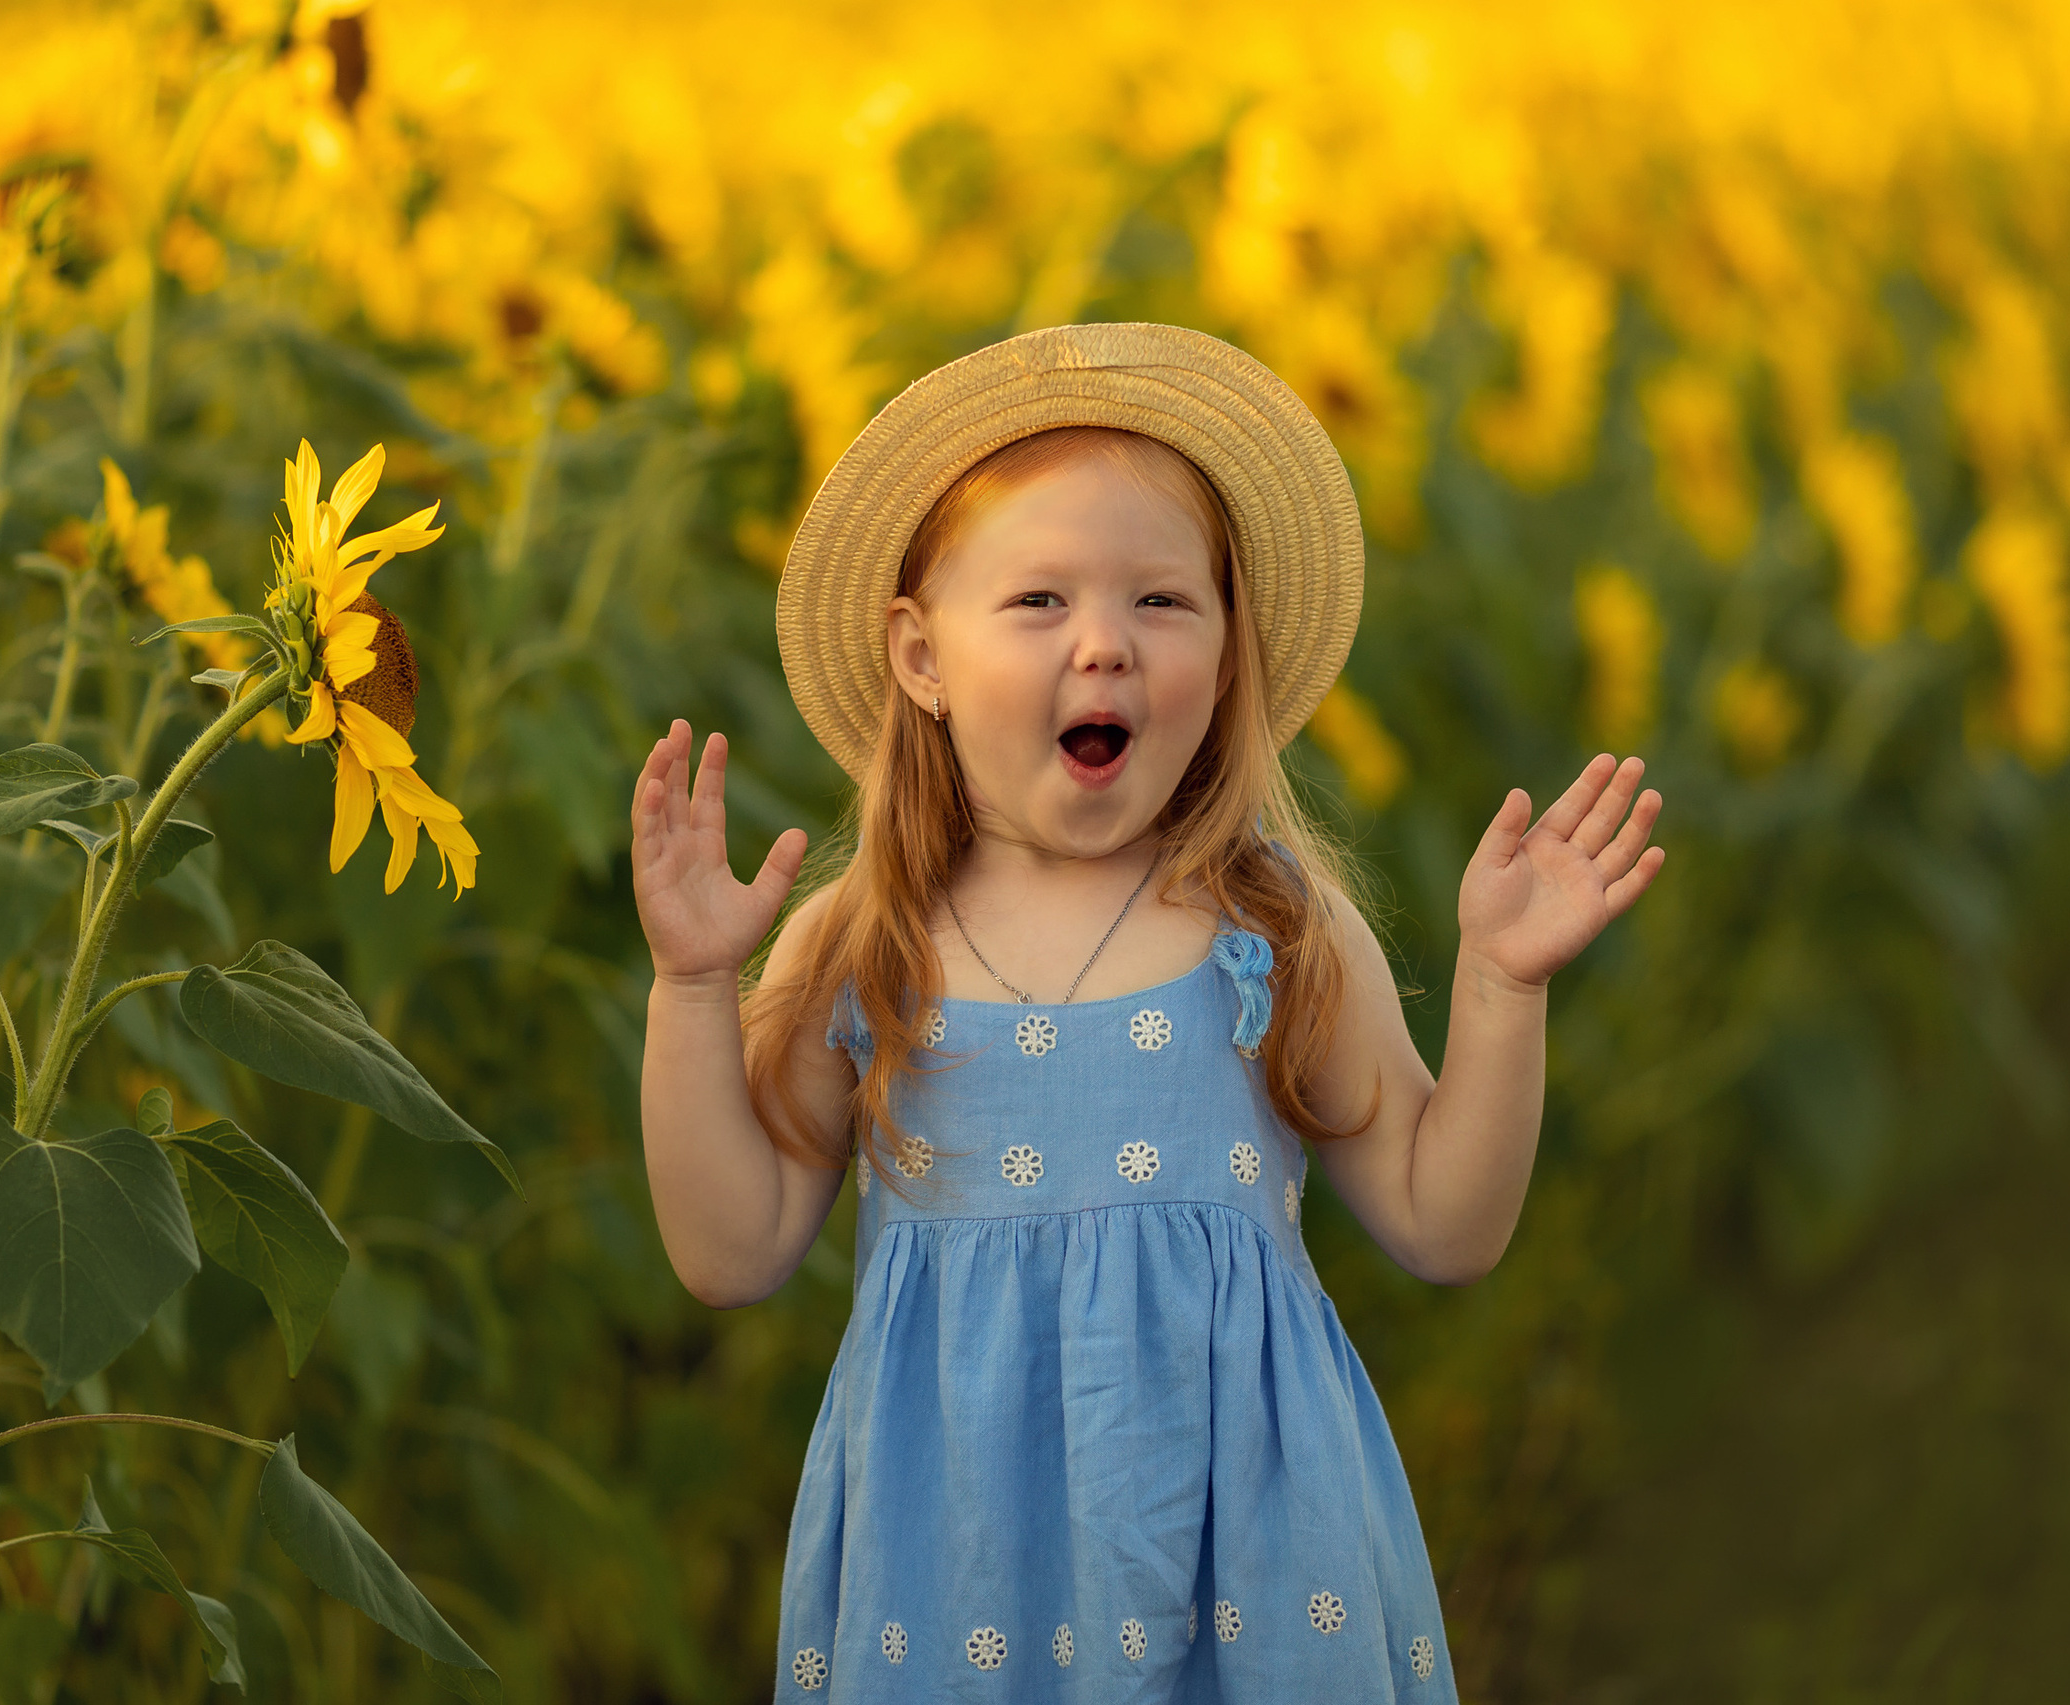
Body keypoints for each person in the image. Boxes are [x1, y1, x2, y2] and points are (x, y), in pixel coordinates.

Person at [630, 323, 1664, 1700]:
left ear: (1227, 656)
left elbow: (1446, 1223)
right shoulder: (863, 943)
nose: (1105, 645)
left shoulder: (1272, 930)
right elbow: (729, 1250)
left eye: (1163, 601)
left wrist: (1501, 984)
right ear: (922, 656)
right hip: (961, 1586)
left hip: (1249, 1586)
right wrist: (693, 985)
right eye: (1038, 600)